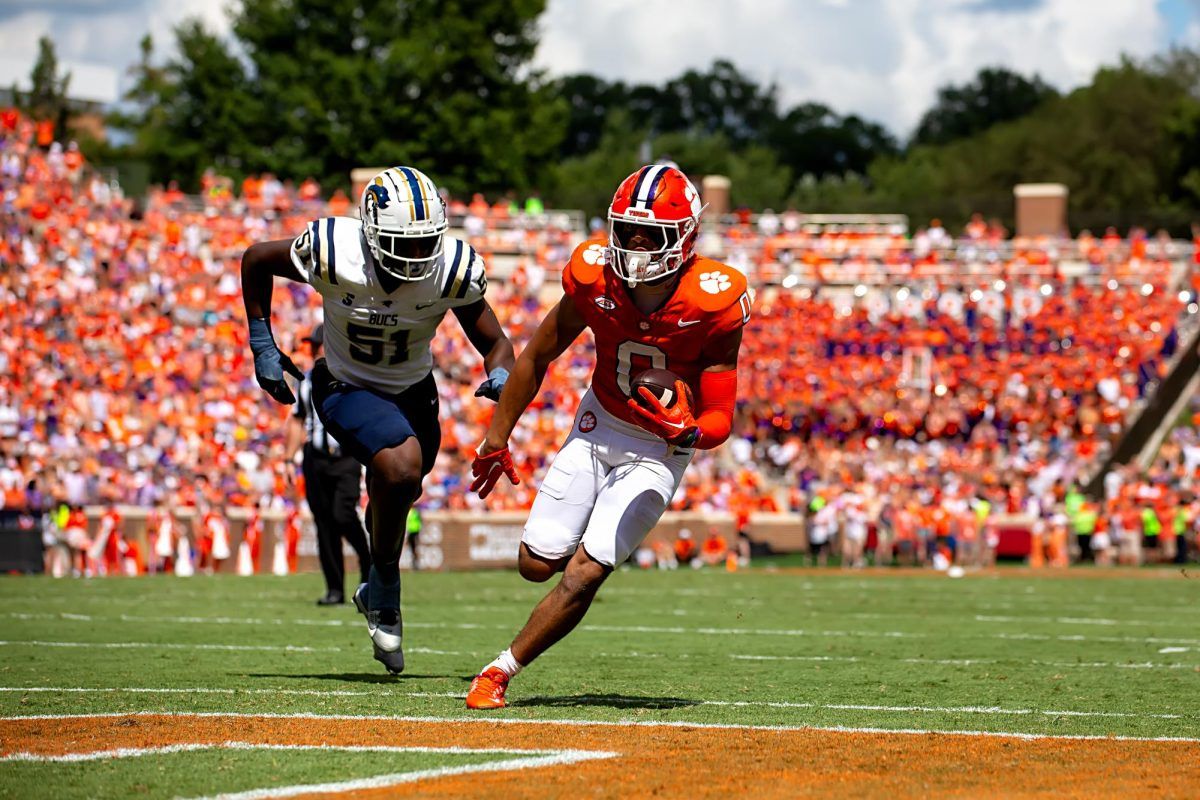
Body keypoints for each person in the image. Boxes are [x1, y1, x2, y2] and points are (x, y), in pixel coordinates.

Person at [464, 164, 751, 708]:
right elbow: (537, 355)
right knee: (534, 565)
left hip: (659, 448)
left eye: (651, 234)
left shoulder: (712, 301)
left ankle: (499, 671)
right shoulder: (594, 276)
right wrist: (496, 436)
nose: (636, 244)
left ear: (684, 237)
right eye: (628, 230)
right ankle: (576, 543)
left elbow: (719, 416)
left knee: (584, 572)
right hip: (597, 426)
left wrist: (689, 430)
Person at [241, 166, 515, 673]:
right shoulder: (334, 250)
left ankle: (375, 583)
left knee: (397, 489)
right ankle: (385, 584)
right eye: (402, 243)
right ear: (370, 232)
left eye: (425, 243)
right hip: (346, 384)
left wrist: (501, 373)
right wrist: (263, 344)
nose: (416, 255)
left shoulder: (451, 267)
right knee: (400, 466)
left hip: (414, 393)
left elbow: (496, 342)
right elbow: (256, 258)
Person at [284, 323, 371, 605]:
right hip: (316, 457)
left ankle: (367, 560)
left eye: (316, 345)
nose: (311, 350)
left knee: (343, 514)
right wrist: (288, 458)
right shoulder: (306, 381)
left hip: (346, 456)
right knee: (324, 524)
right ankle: (335, 589)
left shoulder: (351, 377)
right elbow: (298, 420)